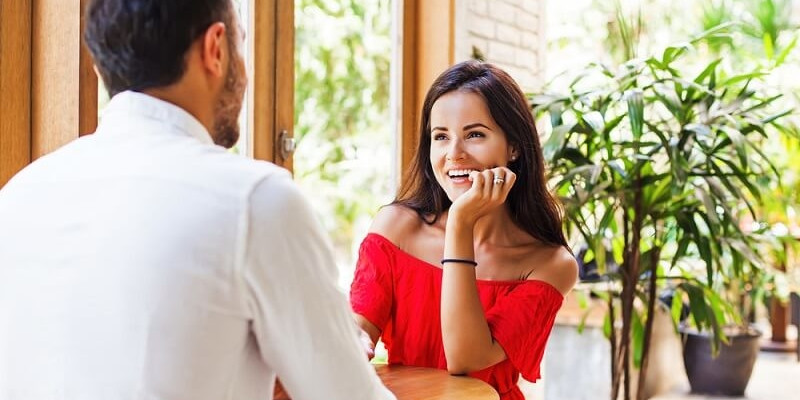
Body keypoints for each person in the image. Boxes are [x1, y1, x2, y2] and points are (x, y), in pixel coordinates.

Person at [0, 1, 394, 399]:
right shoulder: (254, 202)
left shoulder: (17, 197)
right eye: (241, 43)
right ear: (216, 49)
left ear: (103, 67)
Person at [350, 60, 578, 400]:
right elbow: (358, 332)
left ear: (513, 147)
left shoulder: (550, 264)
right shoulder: (396, 228)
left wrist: (460, 223)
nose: (453, 154)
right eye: (440, 137)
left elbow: (466, 362)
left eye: (474, 135)